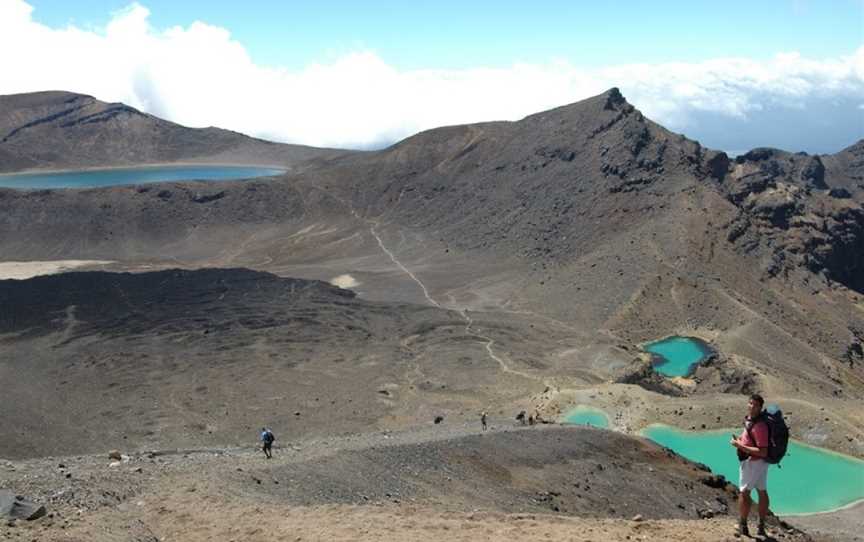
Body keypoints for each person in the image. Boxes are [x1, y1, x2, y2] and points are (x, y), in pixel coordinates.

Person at [730, 394, 770, 537]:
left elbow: (763, 451)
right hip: (759, 464)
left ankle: (743, 524)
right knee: (762, 490)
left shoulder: (760, 426)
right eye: (750, 403)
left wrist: (739, 445)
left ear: (760, 407)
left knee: (744, 493)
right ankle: (760, 526)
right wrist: (741, 440)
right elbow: (750, 438)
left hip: (752, 463)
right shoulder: (751, 420)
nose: (752, 406)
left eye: (756, 405)